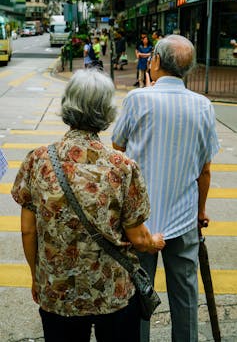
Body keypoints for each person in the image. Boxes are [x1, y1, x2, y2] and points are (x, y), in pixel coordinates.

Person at [11, 69, 165, 342]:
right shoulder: (123, 167)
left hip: (57, 292)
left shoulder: (38, 160)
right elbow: (138, 238)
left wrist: (38, 278)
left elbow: (28, 231)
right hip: (111, 293)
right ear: (106, 112)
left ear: (67, 104)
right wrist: (154, 241)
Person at [112, 35, 220, 342]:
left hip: (139, 223)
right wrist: (200, 212)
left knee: (139, 295)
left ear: (155, 61)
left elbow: (117, 149)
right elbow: (205, 170)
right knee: (185, 296)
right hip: (184, 219)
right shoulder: (203, 106)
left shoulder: (137, 100)